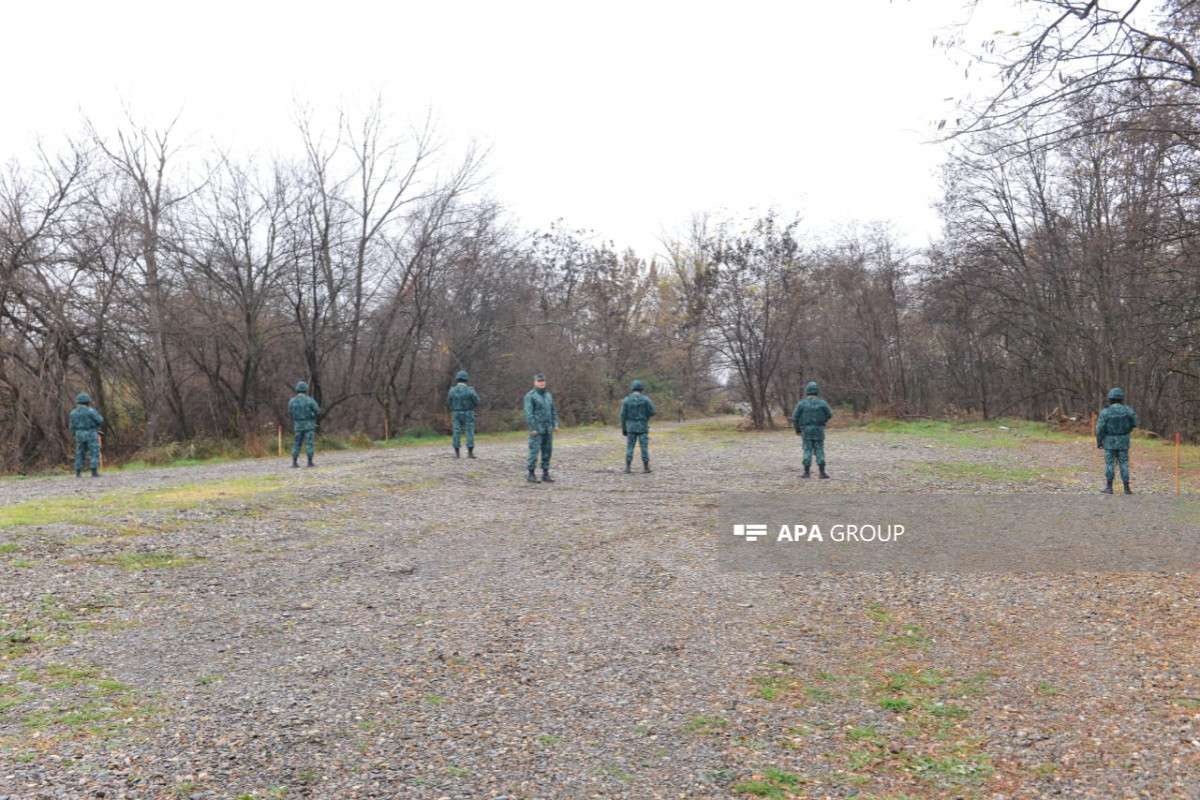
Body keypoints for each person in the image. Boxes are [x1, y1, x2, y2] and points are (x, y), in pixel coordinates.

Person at [1096, 387, 1138, 494]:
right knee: (1124, 463)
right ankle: (1126, 488)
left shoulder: (1105, 412)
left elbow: (1100, 428)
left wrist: (1099, 441)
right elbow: (1134, 423)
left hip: (1109, 441)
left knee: (1110, 463)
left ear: (1110, 398)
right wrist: (1127, 430)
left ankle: (1109, 487)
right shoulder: (1128, 410)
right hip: (1124, 441)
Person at [791, 381, 833, 478]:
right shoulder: (822, 403)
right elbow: (830, 414)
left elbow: (794, 418)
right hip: (819, 430)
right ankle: (822, 472)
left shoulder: (801, 404)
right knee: (819, 449)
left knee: (807, 450)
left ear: (807, 391)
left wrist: (798, 430)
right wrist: (823, 421)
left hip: (806, 430)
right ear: (817, 391)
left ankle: (806, 472)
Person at [524, 373, 559, 483]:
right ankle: (531, 474)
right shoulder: (530, 396)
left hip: (547, 428)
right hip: (537, 429)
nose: (541, 383)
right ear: (535, 382)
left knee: (547, 451)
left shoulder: (548, 395)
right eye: (539, 381)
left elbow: (553, 410)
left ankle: (545, 473)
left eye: (543, 381)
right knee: (534, 451)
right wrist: (533, 427)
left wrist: (555, 423)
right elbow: (529, 413)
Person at [620, 379, 657, 473]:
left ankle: (628, 467)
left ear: (632, 388)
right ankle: (646, 467)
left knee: (630, 446)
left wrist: (624, 428)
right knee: (644, 446)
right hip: (643, 426)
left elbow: (622, 416)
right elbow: (653, 411)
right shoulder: (646, 400)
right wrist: (645, 416)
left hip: (631, 426)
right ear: (641, 389)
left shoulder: (627, 400)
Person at [447, 370, 481, 458]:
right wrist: (471, 407)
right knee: (469, 431)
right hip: (468, 412)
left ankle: (457, 453)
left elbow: (449, 402)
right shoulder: (470, 391)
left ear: (457, 379)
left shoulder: (452, 391)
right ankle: (470, 452)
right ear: (466, 380)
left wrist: (454, 408)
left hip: (456, 412)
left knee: (456, 431)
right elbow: (477, 401)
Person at [69, 393, 104, 478]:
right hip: (91, 433)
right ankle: (94, 472)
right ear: (88, 401)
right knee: (94, 451)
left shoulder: (73, 413)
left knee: (80, 452)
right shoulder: (91, 411)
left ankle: (78, 472)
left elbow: (71, 426)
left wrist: (76, 433)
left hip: (79, 434)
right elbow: (100, 420)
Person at [289, 381, 322, 468]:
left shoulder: (292, 401)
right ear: (306, 390)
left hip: (298, 425)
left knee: (297, 443)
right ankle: (309, 462)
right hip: (309, 425)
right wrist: (312, 415)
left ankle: (294, 462)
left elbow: (290, 413)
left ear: (297, 390)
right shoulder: (310, 400)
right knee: (309, 443)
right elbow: (318, 411)